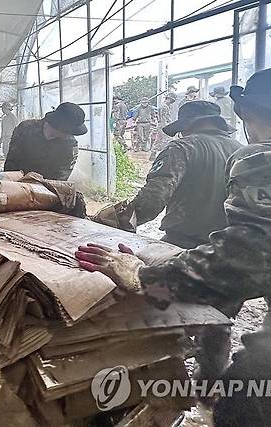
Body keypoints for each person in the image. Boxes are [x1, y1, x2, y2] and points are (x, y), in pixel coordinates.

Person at [77, 59, 271, 426]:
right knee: (218, 320)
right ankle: (208, 382)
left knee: (167, 321)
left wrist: (142, 272)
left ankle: (167, 389)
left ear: (249, 111)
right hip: (259, 288)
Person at [94, 100, 241, 381]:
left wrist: (121, 221)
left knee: (164, 312)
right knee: (219, 322)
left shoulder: (182, 148)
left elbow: (153, 199)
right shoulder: (243, 152)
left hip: (183, 248)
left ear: (186, 126)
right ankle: (210, 383)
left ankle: (161, 382)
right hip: (230, 255)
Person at [4, 102, 87, 180]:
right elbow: (11, 161)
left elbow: (60, 178)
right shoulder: (26, 128)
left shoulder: (70, 145)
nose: (70, 135)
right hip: (17, 183)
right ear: (59, 127)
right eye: (69, 132)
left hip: (45, 189)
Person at [151, 92, 178, 159]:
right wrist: (167, 128)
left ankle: (153, 154)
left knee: (159, 140)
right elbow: (163, 119)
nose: (172, 102)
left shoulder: (165, 106)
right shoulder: (164, 107)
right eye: (171, 100)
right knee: (168, 140)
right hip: (163, 125)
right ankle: (165, 156)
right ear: (168, 99)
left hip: (162, 125)